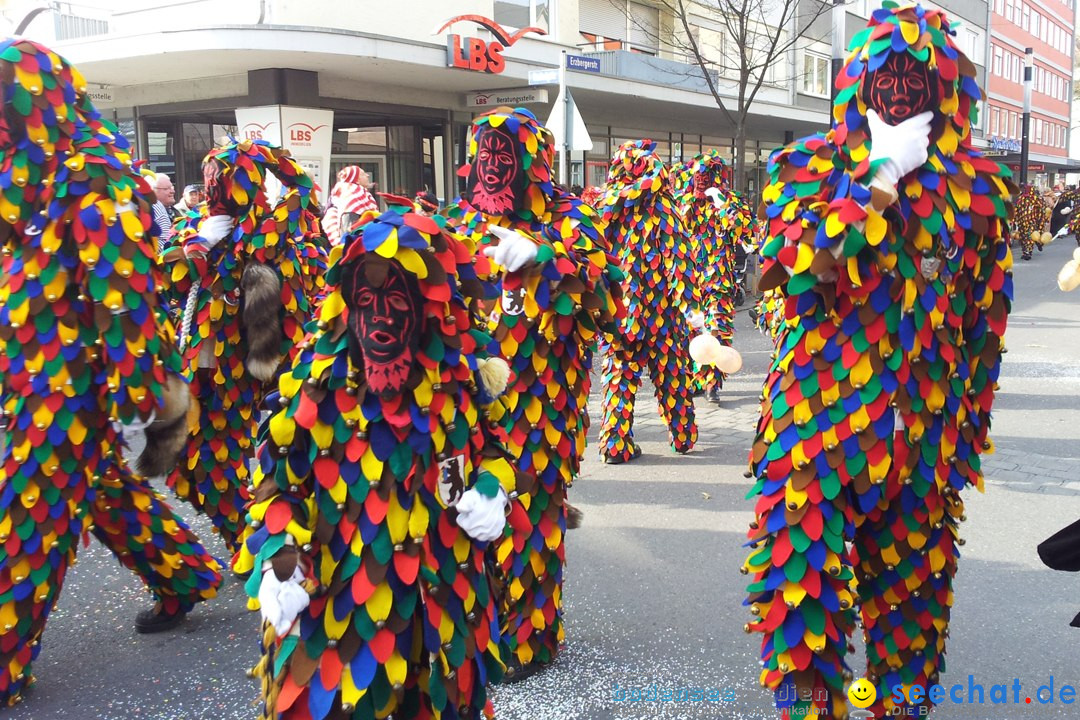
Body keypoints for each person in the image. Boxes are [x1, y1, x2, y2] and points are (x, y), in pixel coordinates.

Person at [742, 5, 1013, 718]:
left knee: (910, 645)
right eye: (883, 75)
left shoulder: (976, 194)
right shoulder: (805, 169)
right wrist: (878, 179)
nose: (899, 88)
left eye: (916, 77)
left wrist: (963, 441)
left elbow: (984, 333)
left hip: (921, 450)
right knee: (803, 637)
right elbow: (793, 274)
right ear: (855, 81)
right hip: (815, 446)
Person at [0, 38, 223, 705]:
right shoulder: (28, 173)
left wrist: (143, 386)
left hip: (72, 384)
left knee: (31, 509)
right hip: (36, 369)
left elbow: (121, 290)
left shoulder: (92, 173)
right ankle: (182, 576)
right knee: (100, 490)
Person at [242, 196, 523, 719]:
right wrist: (277, 560)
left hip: (444, 604)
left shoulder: (462, 377)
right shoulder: (315, 381)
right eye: (365, 299)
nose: (379, 319)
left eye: (397, 297)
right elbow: (274, 487)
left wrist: (491, 488)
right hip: (341, 613)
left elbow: (494, 450)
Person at [445, 106, 624, 679]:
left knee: (533, 518)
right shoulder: (464, 223)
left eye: (505, 157)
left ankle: (531, 639)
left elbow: (603, 292)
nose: (492, 169)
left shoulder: (573, 220)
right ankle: (485, 621)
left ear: (532, 164)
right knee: (472, 516)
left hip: (542, 408)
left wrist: (543, 259)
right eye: (485, 157)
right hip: (473, 407)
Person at [161, 140, 326, 557]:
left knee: (250, 454)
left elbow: (302, 187)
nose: (216, 188)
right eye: (213, 178)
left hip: (247, 364)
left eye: (227, 178)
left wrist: (263, 154)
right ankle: (251, 537)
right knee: (188, 465)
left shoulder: (267, 231)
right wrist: (197, 242)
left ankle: (266, 539)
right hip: (199, 362)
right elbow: (170, 277)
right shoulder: (194, 227)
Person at [596, 139, 699, 463]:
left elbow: (596, 261)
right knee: (672, 375)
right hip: (662, 315)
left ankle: (615, 444)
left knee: (620, 377)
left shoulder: (606, 211)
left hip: (621, 313)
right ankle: (682, 436)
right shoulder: (665, 210)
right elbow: (677, 263)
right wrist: (691, 309)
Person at [323, 165, 379, 244]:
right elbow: (349, 228)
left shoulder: (350, 191)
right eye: (363, 174)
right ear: (357, 180)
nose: (367, 175)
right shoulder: (353, 194)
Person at [1014, 184, 1050, 260]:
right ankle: (1025, 251)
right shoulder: (1020, 199)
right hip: (1021, 222)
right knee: (1023, 238)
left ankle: (1028, 252)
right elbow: (1016, 210)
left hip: (1032, 222)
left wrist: (1042, 219)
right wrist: (1013, 219)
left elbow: (1042, 209)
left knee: (1029, 237)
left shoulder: (1036, 199)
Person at [152, 172, 177, 249]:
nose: (172, 191)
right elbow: (166, 241)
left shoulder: (174, 211)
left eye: (172, 187)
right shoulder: (156, 206)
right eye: (166, 189)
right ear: (152, 191)